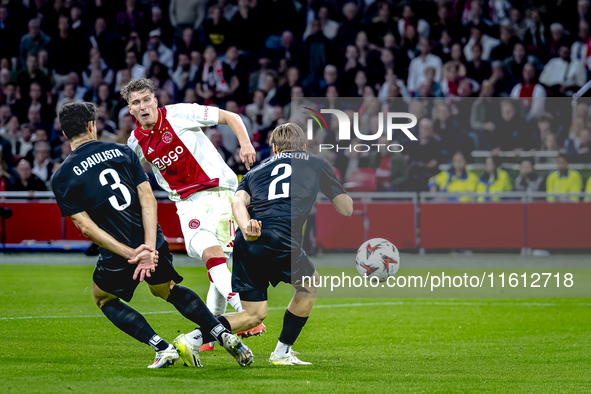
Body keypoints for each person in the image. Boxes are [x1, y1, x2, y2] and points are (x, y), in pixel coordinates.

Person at [51, 102, 253, 368]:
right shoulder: (122, 151)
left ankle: (162, 347)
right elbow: (147, 198)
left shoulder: (62, 176)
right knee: (167, 290)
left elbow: (86, 227)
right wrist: (149, 247)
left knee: (104, 297)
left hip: (119, 250)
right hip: (151, 240)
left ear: (65, 133)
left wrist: (131, 253)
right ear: (92, 126)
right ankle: (221, 333)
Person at [174, 123, 353, 366]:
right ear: (302, 146)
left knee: (253, 315)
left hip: (247, 240)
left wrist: (246, 226)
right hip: (281, 237)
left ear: (275, 148)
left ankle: (191, 339)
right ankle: (281, 353)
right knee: (309, 284)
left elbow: (238, 201)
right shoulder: (315, 162)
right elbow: (346, 210)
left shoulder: (254, 171)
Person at [121, 78, 264, 352]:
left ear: (155, 100)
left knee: (217, 265)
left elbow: (230, 116)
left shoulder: (180, 113)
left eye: (146, 99)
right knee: (213, 258)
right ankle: (244, 312)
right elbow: (129, 177)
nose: (142, 106)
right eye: (136, 102)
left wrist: (245, 144)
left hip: (221, 192)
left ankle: (211, 334)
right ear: (130, 109)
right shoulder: (135, 142)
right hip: (185, 202)